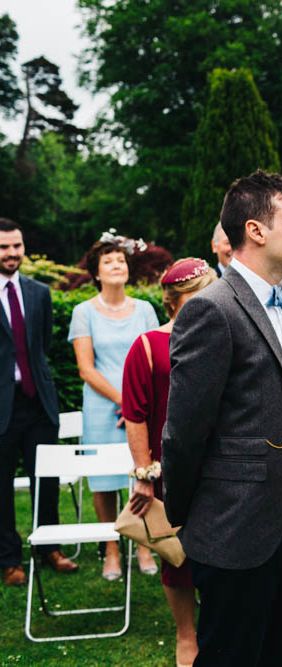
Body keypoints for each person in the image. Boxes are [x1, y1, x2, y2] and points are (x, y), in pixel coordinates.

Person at [162, 170, 282, 667]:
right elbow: (184, 431)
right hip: (233, 525)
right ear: (256, 230)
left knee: (274, 652)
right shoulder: (212, 310)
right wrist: (189, 515)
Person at [122, 258, 216, 667]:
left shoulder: (223, 340)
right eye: (197, 297)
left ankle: (217, 630)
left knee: (219, 556)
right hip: (169, 472)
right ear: (173, 303)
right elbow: (136, 414)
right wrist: (144, 474)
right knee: (176, 559)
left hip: (219, 470)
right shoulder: (148, 346)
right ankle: (186, 635)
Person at [68, 232, 159, 581]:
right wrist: (125, 402)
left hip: (143, 407)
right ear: (96, 272)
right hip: (104, 407)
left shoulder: (146, 310)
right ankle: (112, 548)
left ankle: (146, 544)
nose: (116, 265)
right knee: (105, 481)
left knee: (143, 474)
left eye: (120, 260)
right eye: (108, 261)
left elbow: (155, 358)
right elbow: (86, 368)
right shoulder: (82, 312)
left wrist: (139, 405)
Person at [0, 218, 77, 586]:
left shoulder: (38, 293)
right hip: (1, 408)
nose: (12, 253)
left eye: (16, 246)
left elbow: (41, 345)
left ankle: (50, 549)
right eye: (3, 247)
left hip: (38, 403)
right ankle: (8, 559)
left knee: (45, 480)